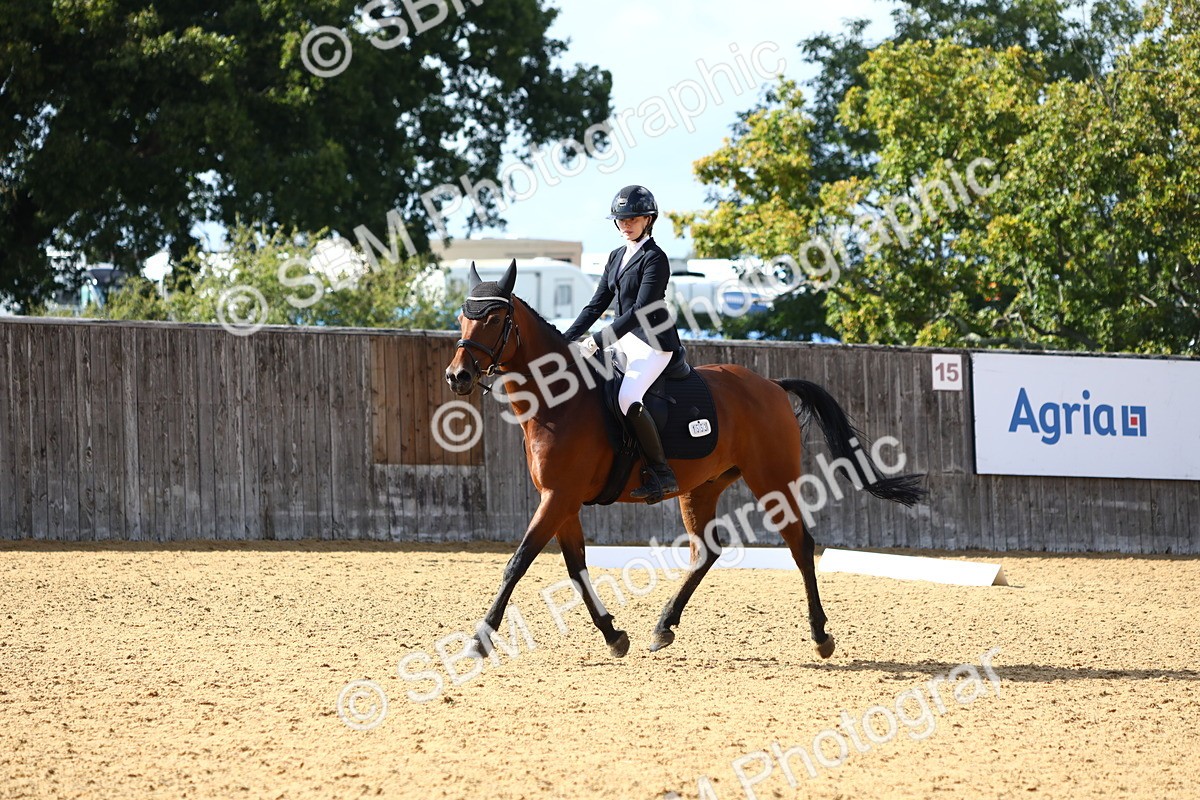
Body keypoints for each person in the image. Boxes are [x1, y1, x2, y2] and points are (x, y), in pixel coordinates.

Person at [563, 185, 683, 504]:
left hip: (652, 342)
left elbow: (638, 310)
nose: (626, 224)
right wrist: (565, 339)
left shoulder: (655, 258)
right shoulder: (616, 256)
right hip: (624, 341)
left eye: (632, 218)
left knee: (628, 396)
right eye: (620, 219)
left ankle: (662, 472)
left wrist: (598, 341)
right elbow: (596, 303)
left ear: (648, 219)